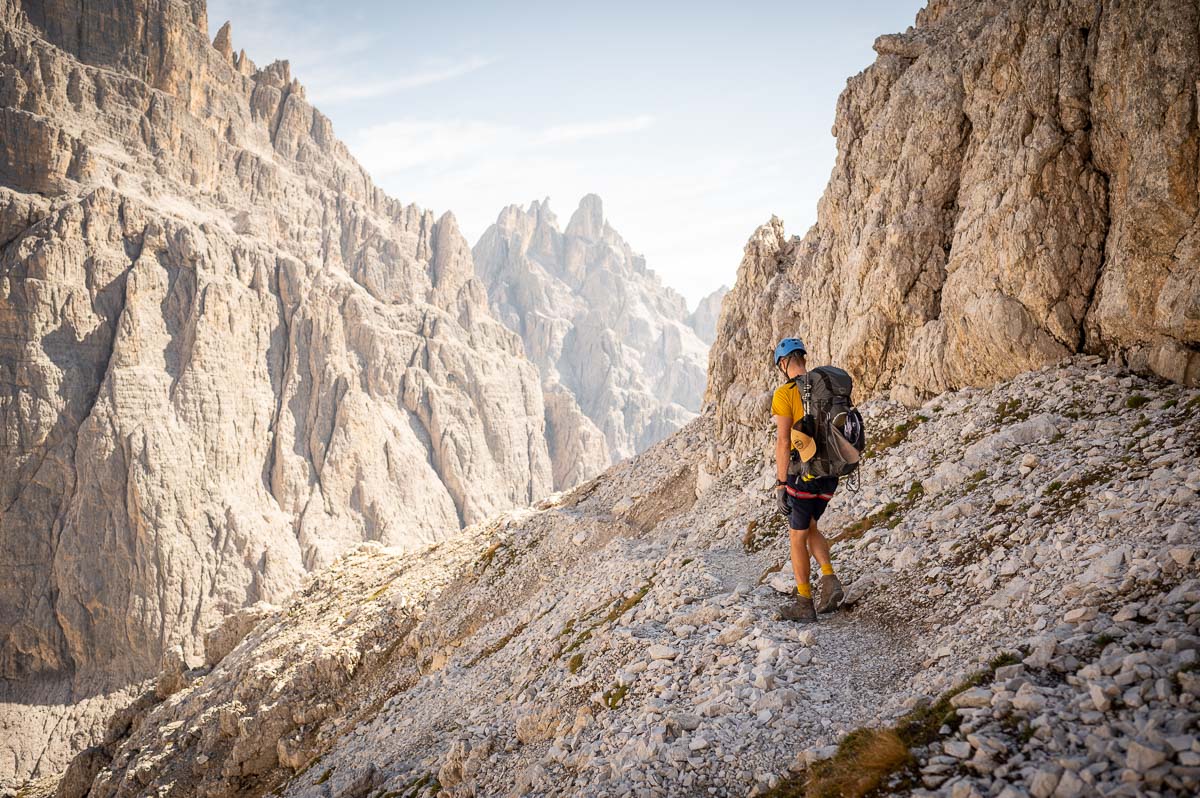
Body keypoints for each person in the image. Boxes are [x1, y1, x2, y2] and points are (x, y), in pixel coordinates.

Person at [771, 338, 844, 622]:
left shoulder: (785, 392)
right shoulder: (825, 385)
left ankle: (804, 602)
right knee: (811, 525)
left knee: (796, 536)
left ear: (783, 363)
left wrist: (780, 484)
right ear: (802, 357)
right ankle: (829, 581)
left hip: (803, 474)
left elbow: (783, 439)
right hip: (831, 472)